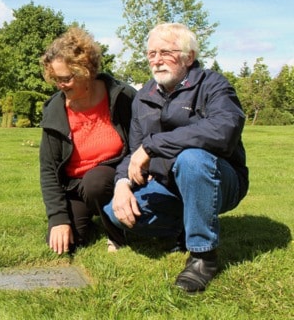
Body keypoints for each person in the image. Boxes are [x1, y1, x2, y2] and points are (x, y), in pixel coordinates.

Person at [102, 23, 249, 293]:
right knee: (114, 212)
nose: (156, 60)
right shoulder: (144, 96)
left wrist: (153, 146)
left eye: (165, 52)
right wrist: (122, 183)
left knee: (191, 159)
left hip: (219, 178)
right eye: (151, 53)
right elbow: (134, 151)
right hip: (168, 184)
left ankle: (203, 257)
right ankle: (185, 224)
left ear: (188, 56)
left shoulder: (213, 84)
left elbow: (224, 130)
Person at [39, 27, 136, 255]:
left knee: (96, 181)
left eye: (66, 78)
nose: (60, 85)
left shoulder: (122, 97)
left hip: (115, 178)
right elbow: (48, 169)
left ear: (86, 71)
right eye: (55, 79)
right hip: (75, 186)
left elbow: (140, 143)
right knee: (67, 244)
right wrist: (58, 218)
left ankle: (117, 233)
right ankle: (95, 218)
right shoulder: (54, 111)